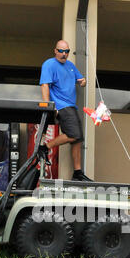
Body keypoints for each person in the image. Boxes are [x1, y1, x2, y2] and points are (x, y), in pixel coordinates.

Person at [39, 40, 92, 181]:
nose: (64, 54)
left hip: (71, 106)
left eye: (66, 51)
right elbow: (44, 85)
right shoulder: (49, 64)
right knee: (75, 134)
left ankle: (78, 172)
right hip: (61, 106)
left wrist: (83, 81)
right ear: (55, 51)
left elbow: (81, 80)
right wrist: (49, 106)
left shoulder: (70, 66)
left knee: (78, 138)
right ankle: (46, 147)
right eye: (61, 51)